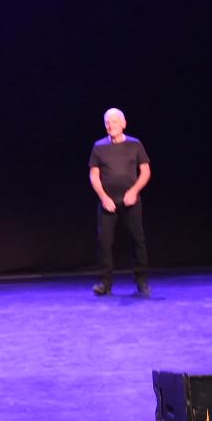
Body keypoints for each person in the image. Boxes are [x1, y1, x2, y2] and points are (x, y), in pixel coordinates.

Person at [88, 108, 152, 296]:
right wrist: (103, 197)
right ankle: (105, 284)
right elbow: (94, 175)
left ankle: (142, 282)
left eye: (115, 121)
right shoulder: (99, 146)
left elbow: (145, 171)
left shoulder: (135, 144)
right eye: (107, 122)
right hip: (108, 203)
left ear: (123, 124)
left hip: (131, 201)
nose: (111, 125)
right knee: (104, 242)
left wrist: (134, 191)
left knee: (137, 240)